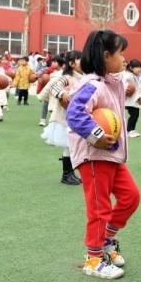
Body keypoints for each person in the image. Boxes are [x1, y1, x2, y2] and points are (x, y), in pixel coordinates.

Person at [66, 30, 140, 279]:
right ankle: (94, 259)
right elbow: (75, 114)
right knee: (99, 209)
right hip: (95, 157)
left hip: (112, 156)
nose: (125, 59)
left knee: (131, 197)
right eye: (121, 54)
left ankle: (107, 240)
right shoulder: (93, 85)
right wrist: (96, 135)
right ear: (106, 55)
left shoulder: (110, 82)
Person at [39, 50, 83, 185]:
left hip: (75, 117)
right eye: (80, 59)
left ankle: (70, 172)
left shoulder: (83, 77)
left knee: (72, 146)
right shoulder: (67, 77)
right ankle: (67, 174)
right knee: (69, 146)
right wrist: (63, 93)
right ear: (72, 63)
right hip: (64, 118)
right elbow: (54, 86)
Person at [38, 55, 64, 127]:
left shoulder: (63, 73)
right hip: (49, 93)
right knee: (46, 105)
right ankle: (43, 119)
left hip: (57, 93)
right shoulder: (48, 69)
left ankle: (54, 123)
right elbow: (40, 75)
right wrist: (41, 79)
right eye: (52, 61)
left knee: (55, 108)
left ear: (60, 63)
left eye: (55, 62)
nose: (53, 63)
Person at [123, 59, 141, 138]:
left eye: (139, 67)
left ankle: (132, 129)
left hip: (136, 99)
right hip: (129, 99)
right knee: (134, 115)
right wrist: (126, 89)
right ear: (131, 68)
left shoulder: (139, 76)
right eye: (136, 67)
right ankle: (130, 130)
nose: (139, 69)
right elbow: (123, 84)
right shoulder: (127, 75)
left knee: (136, 115)